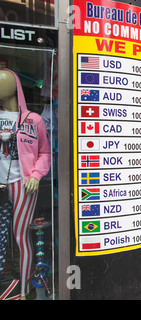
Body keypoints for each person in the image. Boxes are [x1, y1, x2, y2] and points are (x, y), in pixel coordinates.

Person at [0, 68, 51, 299]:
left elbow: (45, 153)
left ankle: (23, 290)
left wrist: (36, 175)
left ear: (14, 87)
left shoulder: (33, 120)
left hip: (23, 184)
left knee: (21, 236)